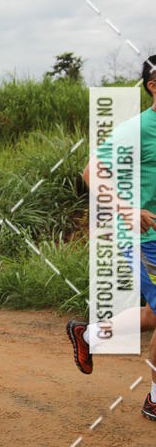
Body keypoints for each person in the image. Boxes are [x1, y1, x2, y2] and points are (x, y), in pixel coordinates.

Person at [66, 55, 156, 422]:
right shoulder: (139, 128)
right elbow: (92, 172)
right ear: (153, 86)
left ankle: (89, 335)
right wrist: (125, 210)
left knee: (153, 313)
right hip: (141, 237)